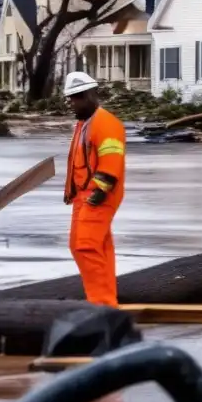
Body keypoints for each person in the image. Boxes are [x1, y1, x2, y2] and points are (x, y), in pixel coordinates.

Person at [62, 71, 126, 308]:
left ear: (91, 95)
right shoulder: (84, 124)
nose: (72, 102)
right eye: (70, 98)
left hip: (99, 194)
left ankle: (102, 304)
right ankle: (107, 301)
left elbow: (112, 158)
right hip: (83, 194)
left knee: (86, 246)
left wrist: (101, 190)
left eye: (77, 97)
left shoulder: (105, 123)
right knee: (94, 246)